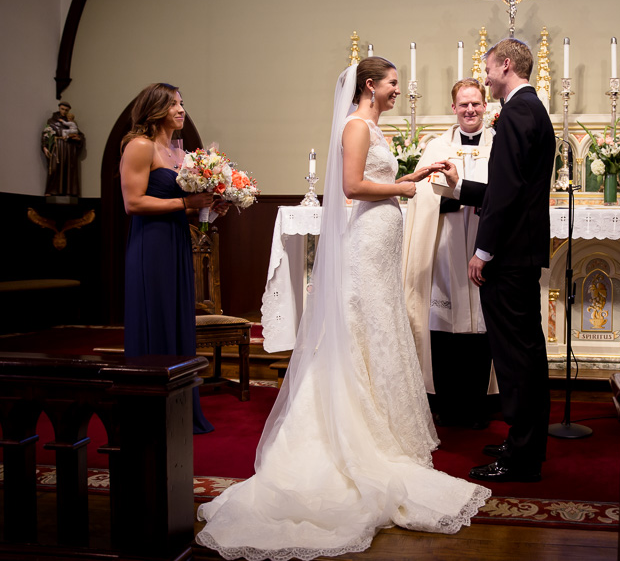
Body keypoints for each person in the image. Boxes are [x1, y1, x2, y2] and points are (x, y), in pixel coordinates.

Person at [196, 57, 490, 560]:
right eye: (393, 83)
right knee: (361, 328)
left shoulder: (372, 124)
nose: (399, 90)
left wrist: (415, 173)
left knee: (380, 329)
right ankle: (349, 431)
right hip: (368, 239)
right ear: (371, 86)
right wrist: (403, 188)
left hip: (382, 241)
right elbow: (353, 187)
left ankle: (380, 423)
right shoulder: (356, 125)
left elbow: (377, 176)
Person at [442, 38, 556, 483]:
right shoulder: (532, 110)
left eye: (488, 68)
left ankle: (523, 456)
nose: (485, 76)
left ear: (505, 65)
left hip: (508, 256)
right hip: (521, 251)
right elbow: (513, 188)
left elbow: (508, 194)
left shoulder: (514, 113)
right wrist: (461, 189)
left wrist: (482, 250)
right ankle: (523, 442)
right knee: (524, 352)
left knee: (516, 358)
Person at [120, 83, 229, 434]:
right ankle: (149, 411)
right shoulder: (140, 146)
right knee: (156, 314)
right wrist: (186, 204)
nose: (181, 110)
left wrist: (213, 208)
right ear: (154, 110)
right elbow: (133, 203)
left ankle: (179, 410)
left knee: (177, 317)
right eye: (173, 105)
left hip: (177, 242)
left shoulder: (180, 154)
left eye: (182, 103)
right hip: (150, 244)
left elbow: (192, 211)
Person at [402, 78, 496, 430]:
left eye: (475, 104)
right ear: (454, 108)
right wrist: (458, 196)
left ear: (485, 106)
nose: (469, 110)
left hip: (486, 249)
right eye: (463, 104)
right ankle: (446, 403)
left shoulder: (499, 145)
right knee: (442, 323)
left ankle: (478, 405)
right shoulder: (437, 147)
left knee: (483, 324)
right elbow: (423, 198)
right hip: (445, 245)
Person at [42, 101, 85, 197]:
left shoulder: (71, 122)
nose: (64, 111)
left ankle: (69, 192)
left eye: (66, 110)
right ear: (59, 108)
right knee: (54, 169)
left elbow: (80, 135)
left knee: (68, 170)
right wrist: (45, 146)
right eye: (62, 109)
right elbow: (46, 134)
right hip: (57, 147)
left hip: (69, 148)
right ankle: (51, 190)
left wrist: (78, 138)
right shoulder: (51, 121)